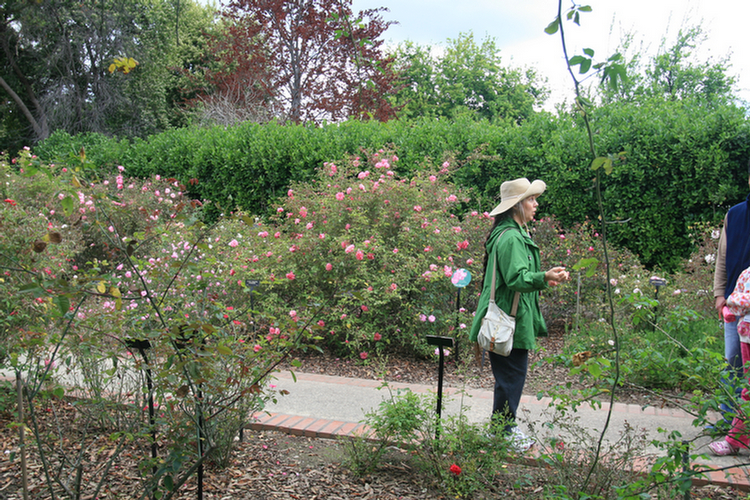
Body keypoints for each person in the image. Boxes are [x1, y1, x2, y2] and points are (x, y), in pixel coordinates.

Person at [469, 177, 569, 451]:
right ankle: (503, 431)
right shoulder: (511, 236)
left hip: (508, 317)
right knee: (511, 377)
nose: (535, 204)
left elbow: (515, 276)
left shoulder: (513, 232)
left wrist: (543, 278)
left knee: (509, 377)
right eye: (530, 200)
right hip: (508, 320)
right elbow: (515, 278)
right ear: (516, 206)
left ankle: (501, 429)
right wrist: (541, 276)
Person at [713, 162, 750, 431]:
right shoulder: (735, 215)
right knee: (733, 364)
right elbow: (723, 258)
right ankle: (729, 424)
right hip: (734, 307)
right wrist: (718, 295)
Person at [710, 266, 750, 455]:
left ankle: (734, 440)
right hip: (747, 338)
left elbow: (736, 301)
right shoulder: (746, 273)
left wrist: (737, 302)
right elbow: (734, 301)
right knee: (748, 390)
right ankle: (734, 440)